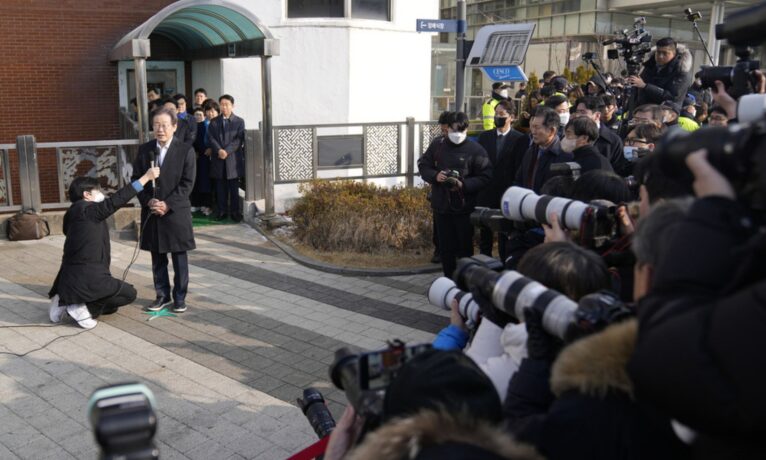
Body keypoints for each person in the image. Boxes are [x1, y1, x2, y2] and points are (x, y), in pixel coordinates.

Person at [48, 167, 160, 329]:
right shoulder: (89, 211)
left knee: (112, 307)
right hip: (87, 276)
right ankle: (79, 308)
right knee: (128, 294)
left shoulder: (72, 212)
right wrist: (146, 178)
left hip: (70, 277)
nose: (101, 194)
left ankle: (63, 301)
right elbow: (117, 200)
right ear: (86, 195)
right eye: (97, 191)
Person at [131, 108, 196, 313]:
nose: (160, 129)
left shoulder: (185, 150)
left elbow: (187, 184)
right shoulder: (145, 150)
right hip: (152, 212)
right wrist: (149, 201)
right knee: (157, 257)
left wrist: (167, 204)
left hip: (175, 213)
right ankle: (162, 295)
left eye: (164, 125)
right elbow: (136, 180)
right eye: (156, 125)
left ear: (174, 127)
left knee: (179, 258)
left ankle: (179, 297)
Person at [418, 112, 492, 277]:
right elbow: (423, 165)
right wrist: (435, 176)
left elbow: (485, 176)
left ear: (466, 130)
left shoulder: (476, 149)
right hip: (441, 206)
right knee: (446, 249)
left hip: (465, 208)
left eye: (461, 130)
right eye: (453, 130)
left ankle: (465, 281)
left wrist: (463, 184)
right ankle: (448, 279)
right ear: (447, 129)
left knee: (465, 248)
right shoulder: (437, 145)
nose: (457, 134)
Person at [477, 100, 528, 257]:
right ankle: (485, 262)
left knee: (505, 232)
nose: (497, 117)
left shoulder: (520, 139)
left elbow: (520, 167)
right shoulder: (485, 137)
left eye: (501, 114)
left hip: (507, 191)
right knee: (484, 231)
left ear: (511, 117)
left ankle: (505, 262)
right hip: (486, 190)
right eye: (496, 114)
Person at [514, 107, 573, 193]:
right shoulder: (531, 151)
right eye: (532, 127)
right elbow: (519, 180)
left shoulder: (565, 156)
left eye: (537, 127)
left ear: (552, 130)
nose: (533, 131)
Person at [207, 94, 245, 222]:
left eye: (226, 104)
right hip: (218, 159)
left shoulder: (239, 121)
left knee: (233, 188)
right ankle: (222, 211)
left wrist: (226, 152)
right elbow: (211, 138)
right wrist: (219, 150)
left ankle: (235, 212)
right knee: (220, 188)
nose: (224, 107)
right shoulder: (214, 122)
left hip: (232, 160)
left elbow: (238, 140)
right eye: (222, 104)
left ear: (232, 106)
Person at [627, 37, 693, 107]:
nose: (660, 56)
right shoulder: (650, 65)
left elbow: (672, 97)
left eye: (665, 53)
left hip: (666, 112)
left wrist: (645, 86)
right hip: (643, 109)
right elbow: (639, 90)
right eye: (658, 52)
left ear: (674, 53)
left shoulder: (681, 71)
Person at [573, 96, 628, 176]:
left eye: (582, 112)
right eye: (577, 112)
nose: (578, 116)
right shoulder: (570, 134)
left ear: (597, 115)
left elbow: (618, 172)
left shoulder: (613, 141)